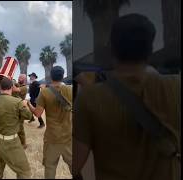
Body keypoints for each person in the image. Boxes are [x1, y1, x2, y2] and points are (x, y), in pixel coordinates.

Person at [75, 14, 181, 180]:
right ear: (150, 49)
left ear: (112, 48)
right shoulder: (176, 86)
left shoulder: (89, 98)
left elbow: (75, 163)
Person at [27, 66, 72, 178]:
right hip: (69, 136)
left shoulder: (45, 93)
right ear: (63, 76)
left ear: (51, 76)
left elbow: (37, 114)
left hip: (52, 138)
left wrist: (28, 104)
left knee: (50, 167)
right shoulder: (71, 89)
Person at [12, 74, 28, 149]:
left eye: (20, 78)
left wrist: (11, 82)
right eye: (18, 77)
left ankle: (23, 143)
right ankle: (17, 141)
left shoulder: (24, 87)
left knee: (20, 127)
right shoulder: (17, 84)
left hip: (20, 108)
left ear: (24, 79)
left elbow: (15, 90)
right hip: (14, 107)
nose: (18, 79)